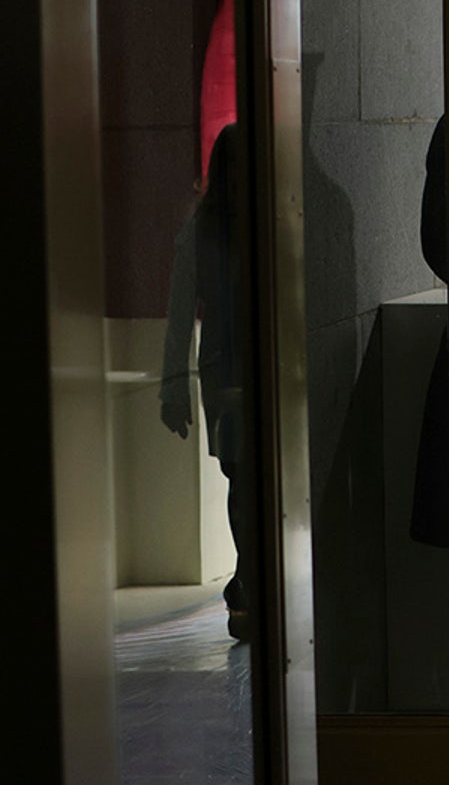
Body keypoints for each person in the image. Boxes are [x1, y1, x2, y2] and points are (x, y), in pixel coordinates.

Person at [160, 125, 259, 641]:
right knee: (244, 481)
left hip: (236, 370)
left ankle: (249, 583)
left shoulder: (235, 226)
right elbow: (179, 315)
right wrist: (171, 384)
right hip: (228, 374)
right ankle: (248, 581)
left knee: (250, 483)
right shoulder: (205, 232)